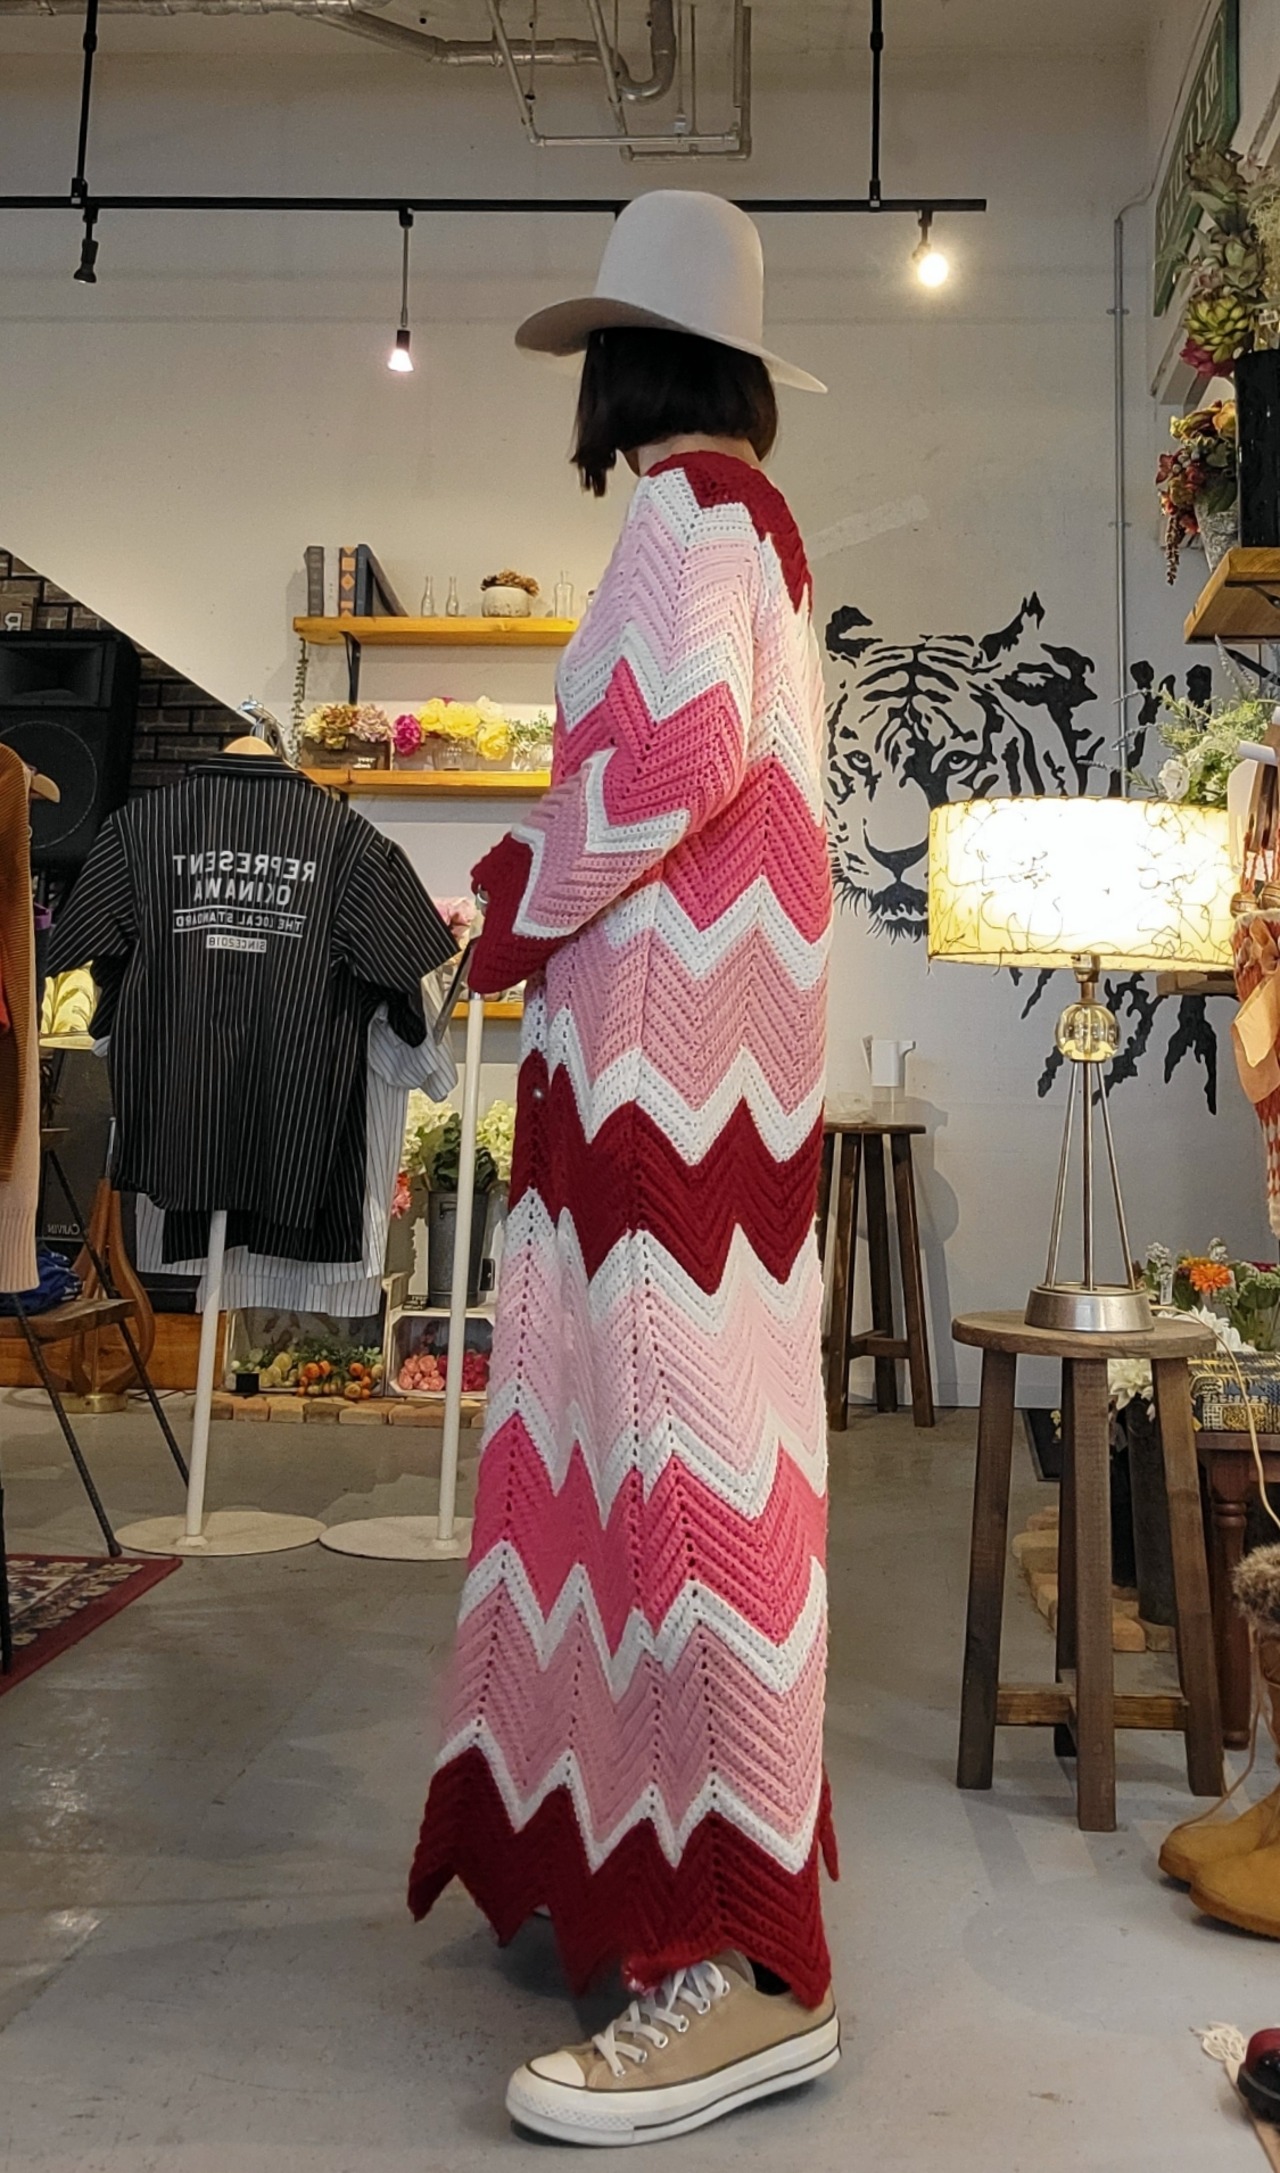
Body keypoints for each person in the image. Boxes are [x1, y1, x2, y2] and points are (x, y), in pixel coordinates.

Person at [409, 189, 837, 2149]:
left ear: (620, 368)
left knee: (666, 1469)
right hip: (716, 1071)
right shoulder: (756, 526)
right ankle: (647, 1851)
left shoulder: (683, 518)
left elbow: (667, 760)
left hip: (663, 1083)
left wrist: (515, 897)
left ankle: (738, 1965)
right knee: (694, 1460)